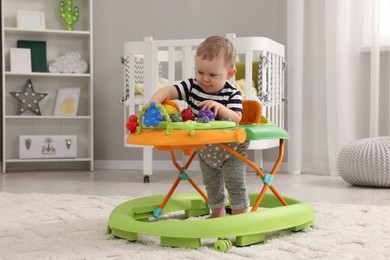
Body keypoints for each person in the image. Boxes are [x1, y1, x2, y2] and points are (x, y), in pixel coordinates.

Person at [148, 35, 249, 218]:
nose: (205, 79)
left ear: (230, 74)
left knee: (234, 182)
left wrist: (219, 108)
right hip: (205, 147)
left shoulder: (232, 93)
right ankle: (217, 213)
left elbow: (236, 118)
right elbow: (169, 90)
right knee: (211, 183)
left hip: (231, 150)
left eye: (212, 75)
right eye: (200, 72)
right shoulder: (192, 86)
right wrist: (153, 103)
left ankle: (240, 215)